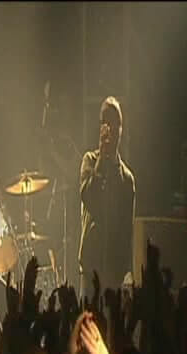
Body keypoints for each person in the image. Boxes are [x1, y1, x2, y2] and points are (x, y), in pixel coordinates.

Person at [79, 96, 136, 296]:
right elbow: (88, 197)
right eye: (107, 122)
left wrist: (127, 270)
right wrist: (102, 159)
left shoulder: (127, 178)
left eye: (116, 123)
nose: (112, 129)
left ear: (121, 129)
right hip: (90, 264)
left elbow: (127, 229)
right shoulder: (89, 161)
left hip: (114, 270)